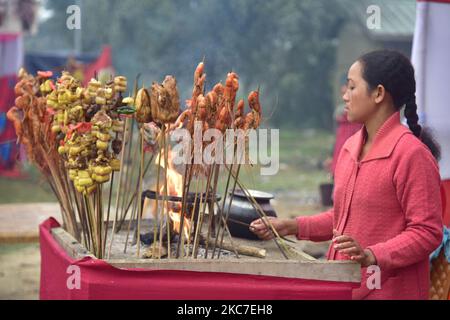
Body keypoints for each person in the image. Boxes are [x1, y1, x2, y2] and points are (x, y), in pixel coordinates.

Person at [250, 50, 443, 300]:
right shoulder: (351, 146)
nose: (344, 95)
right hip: (343, 287)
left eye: (352, 87)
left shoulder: (411, 155)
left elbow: (427, 232)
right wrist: (291, 226)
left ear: (379, 93)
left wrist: (373, 255)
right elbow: (344, 217)